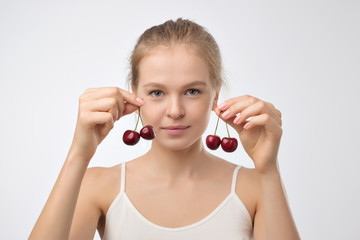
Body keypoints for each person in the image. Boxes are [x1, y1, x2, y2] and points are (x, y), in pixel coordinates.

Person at [29, 18, 300, 240]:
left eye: (192, 91)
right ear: (134, 93)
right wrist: (78, 156)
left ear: (215, 95)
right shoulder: (100, 186)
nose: (175, 110)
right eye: (157, 92)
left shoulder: (255, 187)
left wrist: (269, 170)